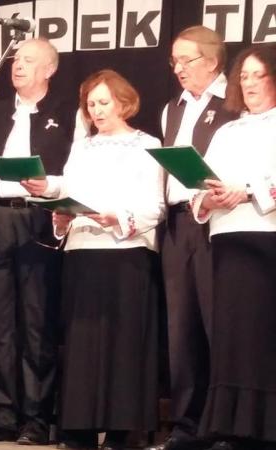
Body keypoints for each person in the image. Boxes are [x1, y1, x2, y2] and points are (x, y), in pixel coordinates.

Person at [0, 37, 84, 445]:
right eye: (15, 60)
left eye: (28, 60)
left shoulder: (68, 112)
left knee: (37, 321)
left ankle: (36, 417)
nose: (17, 66)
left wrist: (50, 185)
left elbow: (82, 168)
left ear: (49, 70)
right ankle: (2, 412)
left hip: (40, 216)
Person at [53, 70, 164, 449]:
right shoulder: (82, 147)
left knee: (124, 342)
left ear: (124, 103)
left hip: (127, 253)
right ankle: (80, 428)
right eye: (91, 105)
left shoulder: (146, 144)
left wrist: (118, 218)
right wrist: (62, 218)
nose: (97, 111)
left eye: (104, 102)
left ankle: (121, 430)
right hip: (83, 250)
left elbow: (155, 207)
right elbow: (69, 194)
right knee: (82, 342)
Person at [149, 26, 237, 450]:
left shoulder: (233, 103)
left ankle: (224, 424)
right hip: (178, 223)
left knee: (219, 321)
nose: (178, 68)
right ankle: (186, 424)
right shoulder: (173, 108)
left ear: (213, 61)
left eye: (187, 60)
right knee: (181, 327)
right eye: (174, 61)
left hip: (219, 223)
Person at [192, 44, 276, 450]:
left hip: (267, 239)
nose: (250, 84)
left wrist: (248, 191)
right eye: (244, 76)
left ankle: (266, 427)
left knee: (263, 333)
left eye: (259, 75)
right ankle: (231, 427)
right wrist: (208, 199)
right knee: (232, 334)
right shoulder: (227, 131)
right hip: (228, 239)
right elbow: (202, 184)